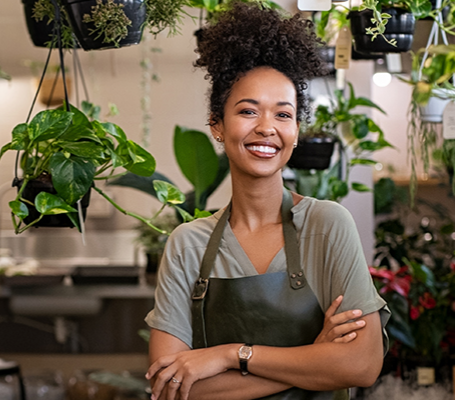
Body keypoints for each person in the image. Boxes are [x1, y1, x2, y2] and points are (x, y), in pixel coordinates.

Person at [143, 4, 389, 400]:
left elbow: (361, 365)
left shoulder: (327, 225)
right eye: (247, 111)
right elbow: (171, 387)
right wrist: (315, 359)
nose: (266, 128)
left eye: (283, 114)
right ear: (217, 125)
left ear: (295, 130)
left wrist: (228, 356)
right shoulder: (188, 244)